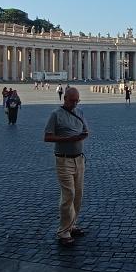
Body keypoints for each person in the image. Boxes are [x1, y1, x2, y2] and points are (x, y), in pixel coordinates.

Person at [44, 86, 88, 246]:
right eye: (72, 101)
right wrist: (68, 139)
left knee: (78, 195)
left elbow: (84, 130)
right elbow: (47, 137)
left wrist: (83, 135)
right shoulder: (55, 115)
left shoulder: (80, 113)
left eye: (77, 101)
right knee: (68, 194)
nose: (75, 104)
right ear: (65, 99)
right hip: (63, 160)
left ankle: (72, 224)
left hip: (79, 159)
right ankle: (63, 231)